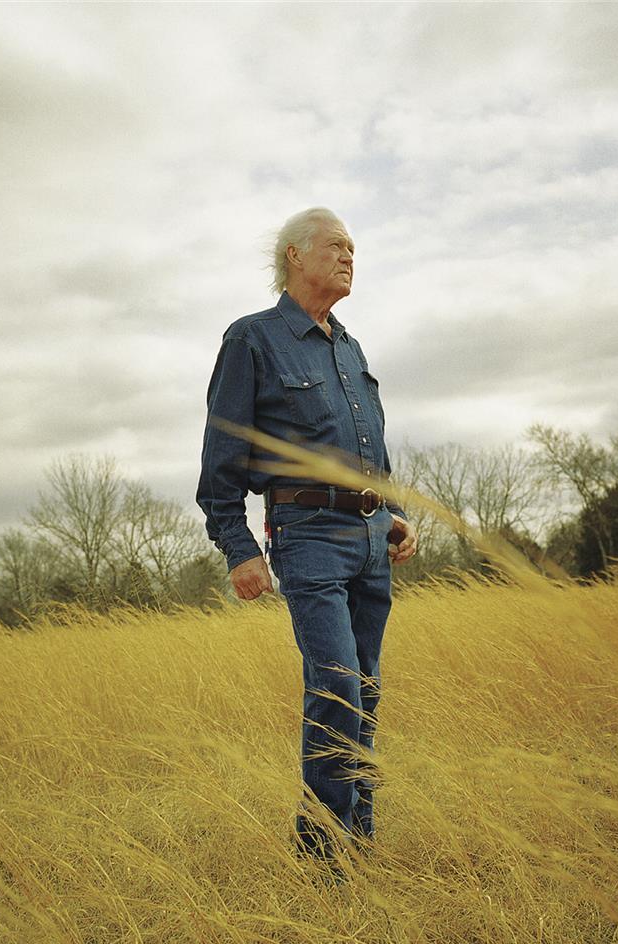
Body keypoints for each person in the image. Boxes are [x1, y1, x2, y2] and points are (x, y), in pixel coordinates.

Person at [196, 207, 417, 876]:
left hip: (370, 537)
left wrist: (394, 511)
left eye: (354, 247)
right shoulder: (252, 340)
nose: (350, 256)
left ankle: (359, 839)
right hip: (307, 536)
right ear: (295, 255)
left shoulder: (349, 348)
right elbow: (220, 458)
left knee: (367, 690)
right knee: (338, 686)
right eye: (336, 246)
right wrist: (237, 546)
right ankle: (323, 855)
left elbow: (366, 451)